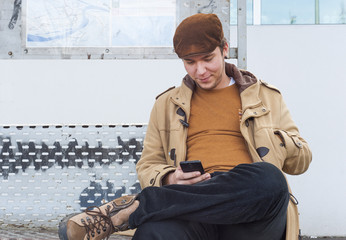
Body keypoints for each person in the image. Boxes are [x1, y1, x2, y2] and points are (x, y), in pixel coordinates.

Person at [59, 13, 312, 240]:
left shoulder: (265, 97)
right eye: (190, 62)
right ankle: (145, 209)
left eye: (208, 59)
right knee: (152, 232)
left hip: (249, 208)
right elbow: (148, 165)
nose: (200, 70)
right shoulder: (166, 104)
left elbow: (301, 161)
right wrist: (170, 177)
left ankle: (135, 209)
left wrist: (274, 139)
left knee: (269, 179)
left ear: (224, 49)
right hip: (192, 210)